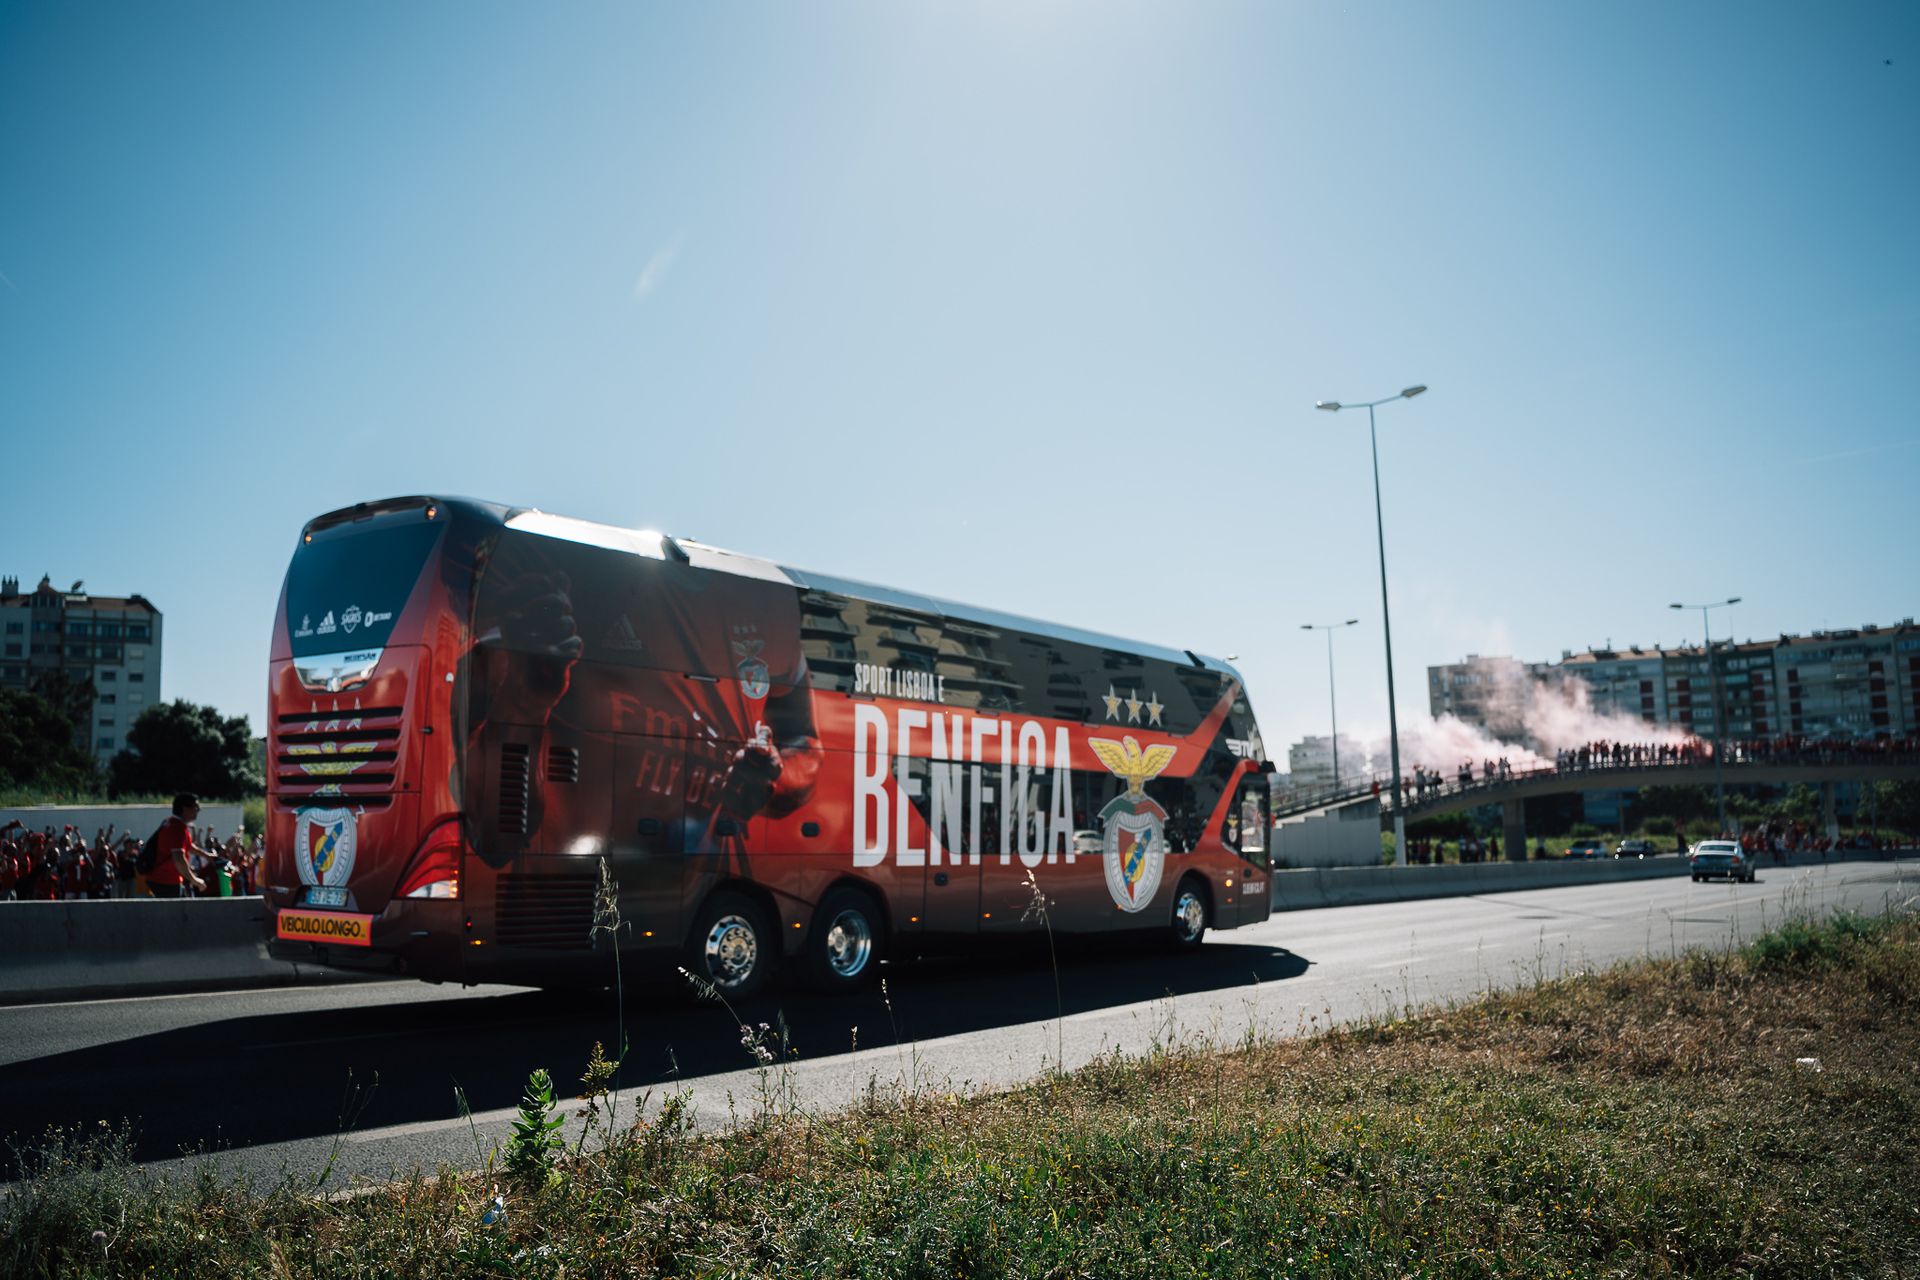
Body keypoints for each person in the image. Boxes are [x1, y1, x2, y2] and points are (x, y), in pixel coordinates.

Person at [147, 794, 209, 899]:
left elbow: (188, 846)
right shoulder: (177, 828)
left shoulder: (171, 822)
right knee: (173, 914)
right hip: (166, 880)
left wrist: (208, 856)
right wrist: (195, 880)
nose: (198, 810)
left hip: (163, 879)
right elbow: (178, 858)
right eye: (196, 807)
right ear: (185, 808)